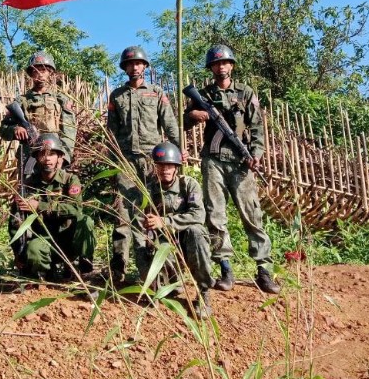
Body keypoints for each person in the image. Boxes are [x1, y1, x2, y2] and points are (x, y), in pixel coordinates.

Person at [183, 44, 281, 294]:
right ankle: (225, 268)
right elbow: (183, 122)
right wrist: (194, 115)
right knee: (215, 214)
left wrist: (255, 155)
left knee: (252, 214)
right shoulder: (203, 94)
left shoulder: (245, 93)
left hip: (240, 161)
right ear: (212, 68)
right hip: (213, 160)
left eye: (225, 62)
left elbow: (258, 128)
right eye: (216, 64)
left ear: (232, 66)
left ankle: (264, 270)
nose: (221, 67)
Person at [106, 46, 181, 283]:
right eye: (130, 64)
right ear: (125, 68)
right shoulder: (116, 96)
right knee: (123, 214)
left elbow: (170, 125)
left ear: (145, 67)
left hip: (153, 161)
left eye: (139, 63)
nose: (135, 67)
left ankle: (155, 268)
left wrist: (178, 152)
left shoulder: (156, 93)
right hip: (126, 161)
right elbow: (111, 131)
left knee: (154, 211)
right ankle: (118, 268)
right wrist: (111, 159)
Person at [132, 142, 215, 317]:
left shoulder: (189, 185)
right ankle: (168, 281)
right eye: (161, 165)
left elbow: (199, 215)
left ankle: (203, 292)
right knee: (157, 285)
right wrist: (146, 274)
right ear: (155, 167)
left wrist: (165, 221)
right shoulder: (148, 190)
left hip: (188, 244)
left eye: (169, 165)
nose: (165, 170)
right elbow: (138, 228)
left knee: (197, 232)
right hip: (164, 244)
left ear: (176, 167)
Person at [10, 133, 96, 280]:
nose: (48, 158)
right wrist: (18, 252)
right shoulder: (28, 185)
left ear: (60, 158)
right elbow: (15, 220)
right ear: (37, 157)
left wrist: (39, 206)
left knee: (86, 221)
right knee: (34, 250)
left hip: (68, 239)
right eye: (43, 154)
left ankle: (83, 268)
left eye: (52, 154)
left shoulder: (70, 180)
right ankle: (46, 272)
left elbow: (76, 209)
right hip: (43, 240)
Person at [0, 51, 77, 176]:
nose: (40, 74)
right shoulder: (21, 101)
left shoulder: (60, 99)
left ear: (50, 73)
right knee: (28, 191)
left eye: (44, 70)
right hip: (29, 154)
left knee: (55, 191)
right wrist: (16, 129)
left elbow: (69, 132)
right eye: (36, 71)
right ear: (31, 74)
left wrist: (64, 156)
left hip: (54, 154)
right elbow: (3, 130)